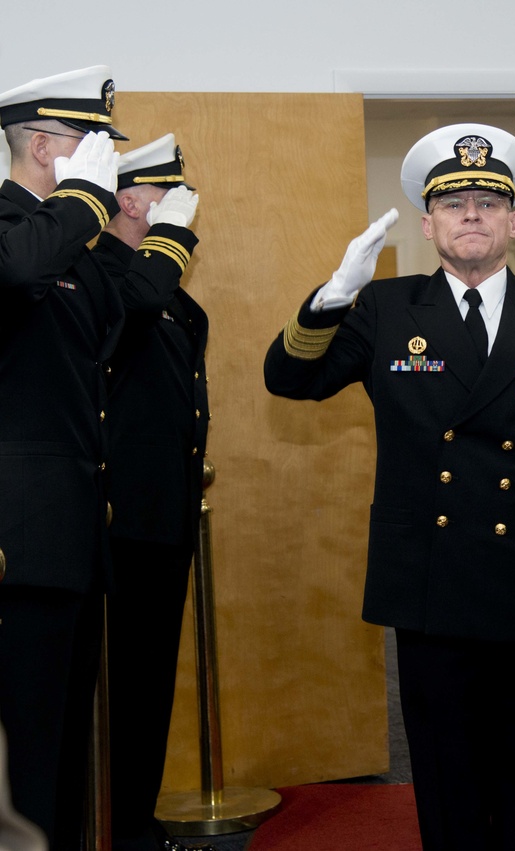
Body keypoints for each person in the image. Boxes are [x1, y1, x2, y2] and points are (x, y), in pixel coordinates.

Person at [263, 123, 515, 851]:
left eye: (488, 203)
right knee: (445, 766)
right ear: (428, 224)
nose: (471, 215)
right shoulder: (386, 309)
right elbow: (289, 378)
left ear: (514, 221)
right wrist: (333, 295)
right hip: (431, 578)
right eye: (454, 203)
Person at [0, 65, 126, 849]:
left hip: (72, 533)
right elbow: (17, 272)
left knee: (65, 744)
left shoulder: (68, 241)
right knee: (23, 754)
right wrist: (83, 201)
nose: (102, 159)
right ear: (45, 145)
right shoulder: (19, 229)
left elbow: (112, 324)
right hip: (18, 540)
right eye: (90, 142)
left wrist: (96, 218)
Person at [92, 134, 207, 851]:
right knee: (117, 692)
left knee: (149, 687)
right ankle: (115, 827)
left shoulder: (168, 297)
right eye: (168, 196)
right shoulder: (102, 277)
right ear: (131, 200)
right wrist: (167, 246)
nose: (183, 211)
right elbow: (126, 320)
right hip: (116, 525)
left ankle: (136, 825)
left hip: (162, 520)